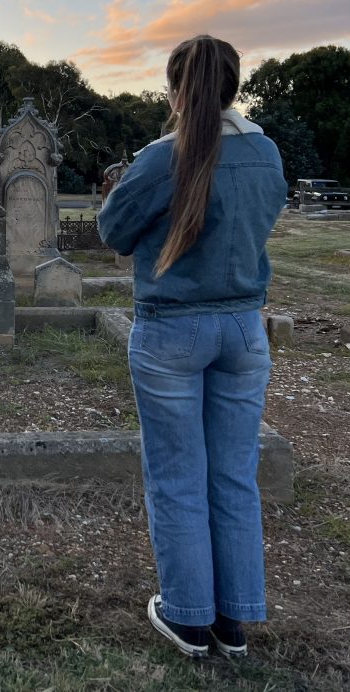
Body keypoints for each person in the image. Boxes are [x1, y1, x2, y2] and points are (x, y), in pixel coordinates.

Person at [97, 35, 287, 659]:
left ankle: (187, 614)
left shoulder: (160, 158)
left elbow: (114, 233)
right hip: (242, 328)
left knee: (178, 476)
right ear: (234, 86)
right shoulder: (266, 154)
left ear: (175, 90)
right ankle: (234, 622)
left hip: (173, 330)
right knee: (234, 477)